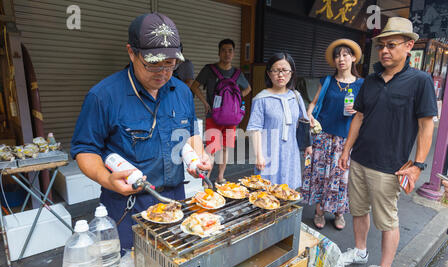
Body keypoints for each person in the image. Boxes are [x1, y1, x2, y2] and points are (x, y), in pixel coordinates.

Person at [70, 13, 211, 252]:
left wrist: (200, 156)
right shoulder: (103, 96)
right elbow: (85, 149)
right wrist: (107, 180)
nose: (163, 72)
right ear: (131, 52)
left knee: (173, 261)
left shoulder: (182, 92)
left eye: (170, 63)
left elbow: (191, 134)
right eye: (153, 63)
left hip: (176, 198)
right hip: (127, 204)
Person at [338, 17, 438, 267]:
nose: (384, 50)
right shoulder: (370, 80)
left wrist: (418, 165)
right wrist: (346, 150)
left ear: (409, 46)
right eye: (382, 45)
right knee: (357, 209)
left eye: (391, 45)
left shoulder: (420, 81)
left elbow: (425, 125)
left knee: (386, 219)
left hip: (390, 166)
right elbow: (359, 116)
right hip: (360, 159)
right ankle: (360, 251)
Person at [301, 39, 364, 231]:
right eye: (338, 55)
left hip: (346, 139)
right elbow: (313, 103)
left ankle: (338, 212)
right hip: (323, 137)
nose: (341, 59)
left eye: (345, 55)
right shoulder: (327, 81)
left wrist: (359, 111)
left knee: (341, 177)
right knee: (320, 175)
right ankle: (319, 211)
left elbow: (365, 112)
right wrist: (309, 114)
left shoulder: (361, 84)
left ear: (353, 58)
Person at [191, 39, 251, 185]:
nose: (227, 53)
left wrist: (234, 103)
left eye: (230, 50)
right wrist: (205, 103)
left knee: (225, 149)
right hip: (213, 117)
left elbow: (248, 89)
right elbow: (194, 86)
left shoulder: (237, 73)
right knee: (211, 149)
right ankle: (206, 181)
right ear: (219, 52)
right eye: (224, 50)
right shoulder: (209, 70)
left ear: (233, 53)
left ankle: (220, 177)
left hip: (231, 119)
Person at [246, 52, 310, 189]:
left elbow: (304, 122)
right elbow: (254, 129)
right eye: (276, 70)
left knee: (288, 193)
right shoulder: (261, 99)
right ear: (269, 74)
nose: (280, 75)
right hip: (268, 155)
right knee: (266, 194)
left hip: (290, 154)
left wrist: (308, 145)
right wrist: (258, 156)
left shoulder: (296, 97)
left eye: (285, 70)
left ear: (291, 73)